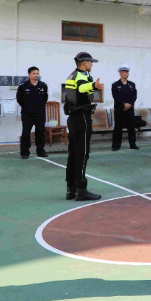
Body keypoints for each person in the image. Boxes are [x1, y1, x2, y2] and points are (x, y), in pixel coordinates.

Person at [64, 52, 104, 201]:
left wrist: (93, 86)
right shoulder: (81, 76)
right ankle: (81, 190)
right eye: (91, 62)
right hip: (82, 118)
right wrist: (94, 85)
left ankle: (71, 189)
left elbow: (81, 91)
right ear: (85, 63)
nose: (92, 64)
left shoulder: (72, 75)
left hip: (73, 118)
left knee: (73, 154)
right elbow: (82, 88)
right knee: (82, 154)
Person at [16, 66, 49, 159]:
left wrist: (38, 107)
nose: (36, 75)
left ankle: (40, 151)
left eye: (37, 73)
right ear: (29, 74)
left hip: (40, 113)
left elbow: (45, 99)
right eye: (34, 73)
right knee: (26, 133)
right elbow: (19, 99)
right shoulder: (23, 86)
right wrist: (28, 107)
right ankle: (25, 152)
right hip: (27, 114)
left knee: (40, 132)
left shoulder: (43, 86)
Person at [111, 65, 139, 151]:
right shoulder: (115, 85)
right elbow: (116, 97)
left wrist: (129, 104)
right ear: (120, 73)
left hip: (130, 109)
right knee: (118, 128)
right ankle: (116, 146)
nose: (125, 73)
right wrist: (124, 104)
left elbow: (134, 96)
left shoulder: (132, 84)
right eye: (123, 72)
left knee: (131, 127)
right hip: (120, 109)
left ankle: (132, 144)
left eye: (126, 72)